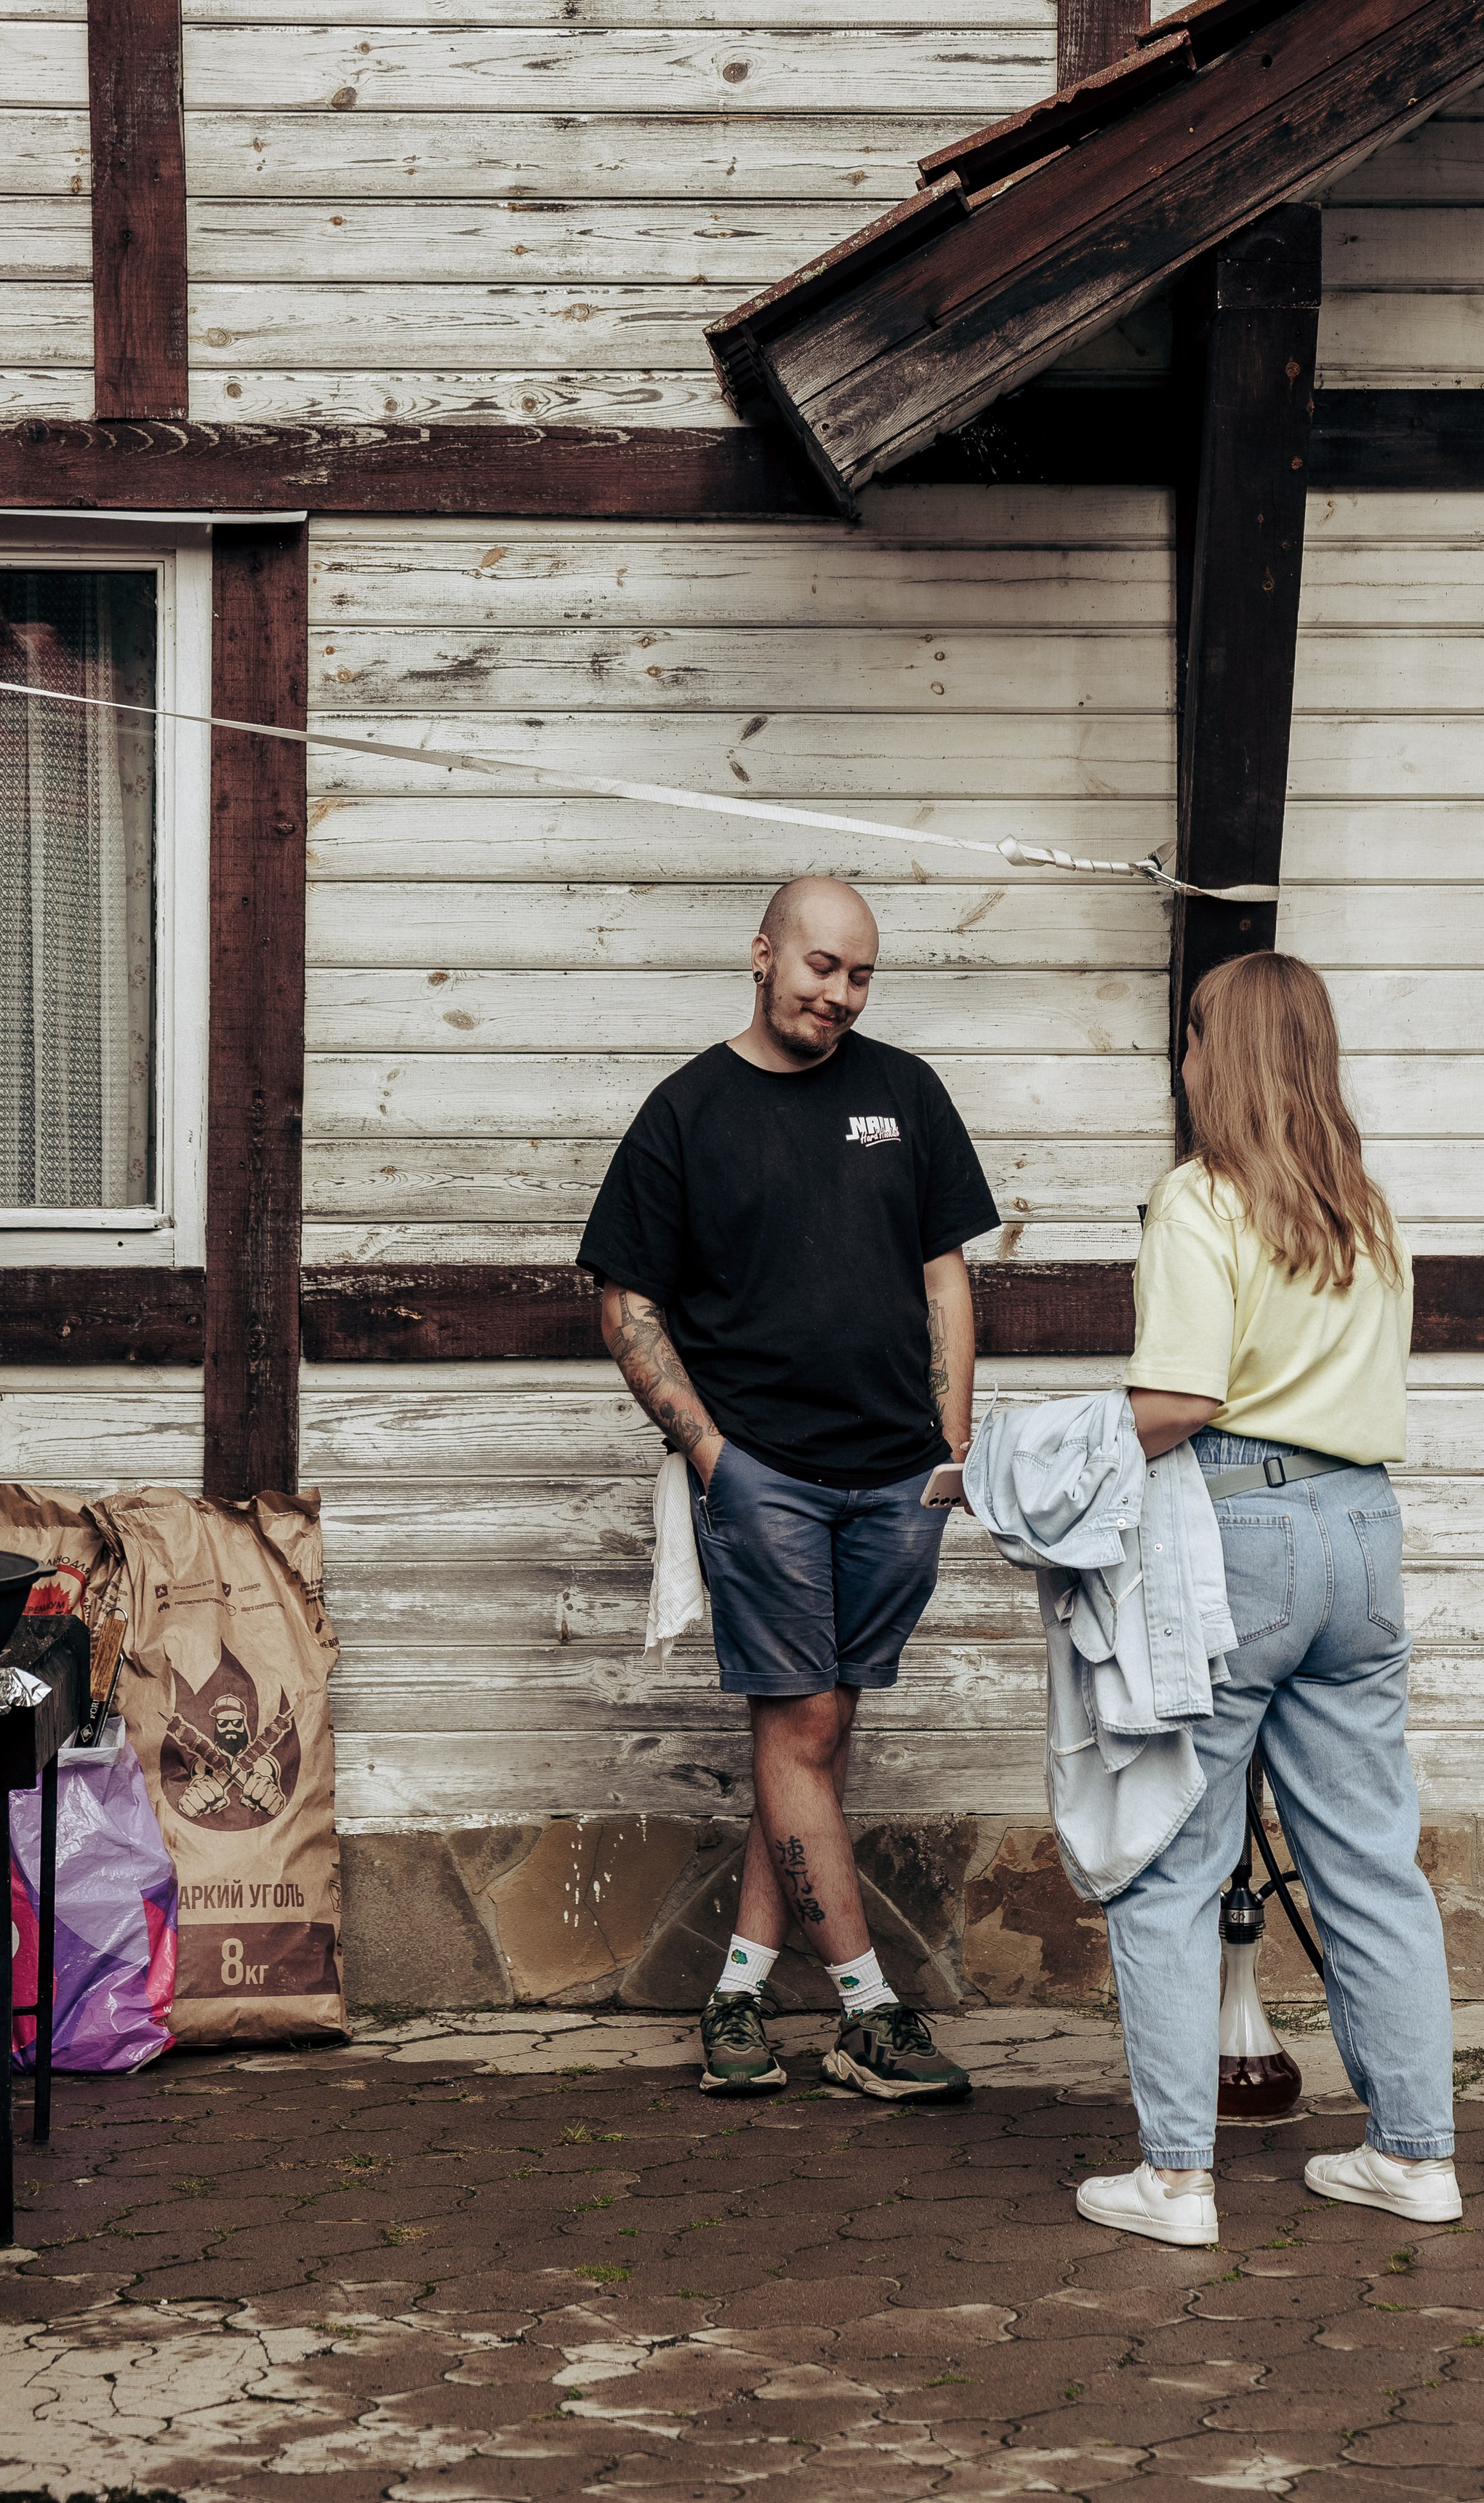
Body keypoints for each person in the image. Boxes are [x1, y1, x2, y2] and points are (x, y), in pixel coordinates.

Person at [578, 876, 1000, 2104]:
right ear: (762, 954)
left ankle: (737, 1999)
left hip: (895, 1481)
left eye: (861, 976)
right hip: (767, 1476)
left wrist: (950, 1448)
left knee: (809, 1739)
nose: (840, 995)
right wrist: (715, 1456)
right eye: (821, 968)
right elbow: (625, 1304)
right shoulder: (688, 1112)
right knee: (804, 1734)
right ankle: (870, 2016)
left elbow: (946, 1278)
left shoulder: (903, 1092)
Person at [1073, 950, 1459, 2250]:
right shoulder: (1371, 1209)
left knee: (1175, 1860)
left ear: (1216, 1054)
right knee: (1369, 1863)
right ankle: (1415, 2155)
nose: (1181, 1060)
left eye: (1191, 1038)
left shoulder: (1200, 1200)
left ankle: (1177, 2179)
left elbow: (1179, 1404)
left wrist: (1039, 1456)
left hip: (1240, 1531)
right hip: (1363, 1529)